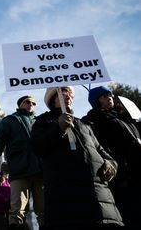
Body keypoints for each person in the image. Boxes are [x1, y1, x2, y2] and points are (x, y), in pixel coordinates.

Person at [31, 86, 124, 230]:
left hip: (98, 197)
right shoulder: (43, 121)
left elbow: (99, 149)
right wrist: (58, 128)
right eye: (62, 94)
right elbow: (38, 147)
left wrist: (111, 162)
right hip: (66, 197)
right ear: (53, 99)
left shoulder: (83, 124)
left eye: (70, 94)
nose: (68, 96)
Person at [82, 86, 141, 230]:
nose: (109, 98)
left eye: (110, 94)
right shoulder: (93, 121)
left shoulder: (124, 117)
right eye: (104, 96)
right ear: (96, 101)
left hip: (137, 171)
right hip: (120, 176)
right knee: (130, 215)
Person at [0, 95, 44, 230]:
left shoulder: (40, 121)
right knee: (17, 208)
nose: (31, 104)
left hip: (39, 169)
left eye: (33, 103)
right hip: (20, 169)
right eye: (28, 102)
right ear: (20, 104)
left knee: (43, 209)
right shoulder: (10, 121)